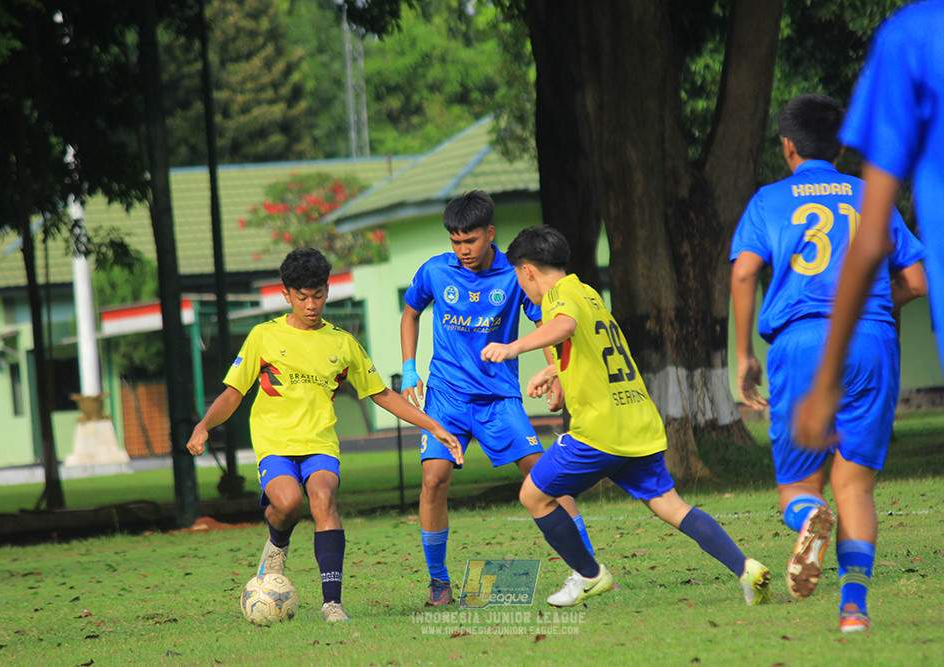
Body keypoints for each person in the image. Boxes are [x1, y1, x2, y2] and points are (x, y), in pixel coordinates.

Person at [795, 2, 944, 552]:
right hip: (887, 344)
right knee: (856, 481)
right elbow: (913, 276)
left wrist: (825, 381)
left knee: (838, 481)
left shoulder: (914, 37)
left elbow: (869, 244)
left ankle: (849, 592)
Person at [480, 225, 772, 608]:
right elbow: (593, 349)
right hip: (637, 423)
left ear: (527, 271)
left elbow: (564, 326)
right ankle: (746, 568)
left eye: (520, 278)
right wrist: (553, 371)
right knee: (673, 506)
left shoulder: (557, 297)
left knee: (533, 496)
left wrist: (513, 347)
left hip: (600, 431)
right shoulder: (588, 293)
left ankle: (589, 575)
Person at [730, 94, 927, 633]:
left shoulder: (768, 200)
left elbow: (744, 272)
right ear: (840, 148)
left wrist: (744, 354)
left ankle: (807, 515)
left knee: (798, 487)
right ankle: (853, 610)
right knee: (856, 487)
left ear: (787, 147)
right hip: (871, 341)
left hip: (801, 344)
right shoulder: (871, 196)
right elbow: (916, 280)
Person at [186, 247, 462, 624]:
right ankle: (277, 543)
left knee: (323, 497)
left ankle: (332, 603)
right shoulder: (263, 337)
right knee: (287, 504)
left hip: (320, 443)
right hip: (275, 443)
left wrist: (432, 425)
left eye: (318, 295)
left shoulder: (342, 343)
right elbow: (233, 393)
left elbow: (381, 394)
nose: (311, 305)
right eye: (302, 297)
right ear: (286, 294)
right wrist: (204, 425)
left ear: (327, 292)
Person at [401, 190, 592, 606]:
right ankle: (439, 583)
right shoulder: (435, 271)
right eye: (455, 241)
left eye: (470, 240)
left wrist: (557, 374)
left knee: (546, 476)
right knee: (433, 480)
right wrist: (409, 366)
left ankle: (588, 568)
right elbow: (410, 312)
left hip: (499, 399)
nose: (463, 250)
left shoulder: (515, 274)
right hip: (446, 396)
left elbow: (544, 325)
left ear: (490, 234)